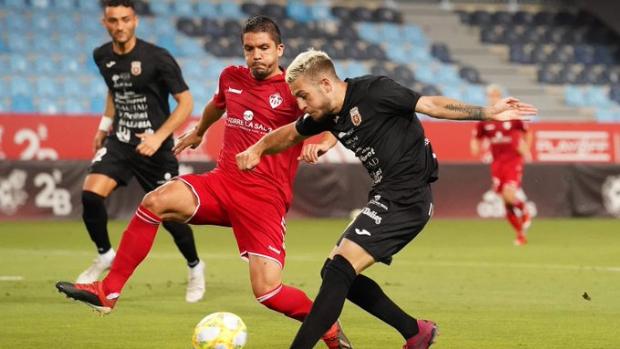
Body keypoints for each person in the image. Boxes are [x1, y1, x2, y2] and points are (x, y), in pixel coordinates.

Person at [56, 16, 351, 349]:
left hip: (264, 201)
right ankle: (108, 291)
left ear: (280, 50)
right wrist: (199, 131)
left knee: (268, 292)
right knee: (155, 201)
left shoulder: (293, 90)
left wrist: (324, 141)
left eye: (264, 48)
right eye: (249, 48)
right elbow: (216, 105)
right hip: (222, 184)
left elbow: (333, 115)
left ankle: (328, 326)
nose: (256, 55)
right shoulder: (231, 77)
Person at [236, 49, 538, 349]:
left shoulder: (375, 91)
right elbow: (290, 135)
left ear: (326, 84)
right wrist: (258, 149)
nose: (301, 105)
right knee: (334, 273)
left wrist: (487, 112)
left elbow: (431, 104)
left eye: (303, 95)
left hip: (409, 196)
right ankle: (414, 332)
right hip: (387, 195)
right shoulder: (327, 114)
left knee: (339, 270)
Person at [73, 0, 205, 302]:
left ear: (135, 21)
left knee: (171, 216)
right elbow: (114, 91)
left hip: (154, 148)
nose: (120, 26)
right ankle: (105, 255)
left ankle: (195, 267)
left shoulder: (157, 57)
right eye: (113, 20)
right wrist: (103, 127)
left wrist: (159, 138)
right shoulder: (101, 55)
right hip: (121, 141)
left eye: (125, 19)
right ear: (104, 23)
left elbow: (186, 103)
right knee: (90, 195)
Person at [470, 84, 533, 246]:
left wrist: (526, 147)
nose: (493, 98)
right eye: (491, 95)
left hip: (513, 160)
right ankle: (520, 234)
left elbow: (527, 131)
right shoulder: (485, 119)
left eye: (496, 95)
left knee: (509, 194)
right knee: (506, 201)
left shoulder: (511, 115)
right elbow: (477, 137)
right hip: (497, 163)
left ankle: (524, 210)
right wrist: (476, 145)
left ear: (501, 97)